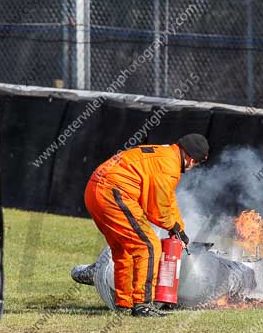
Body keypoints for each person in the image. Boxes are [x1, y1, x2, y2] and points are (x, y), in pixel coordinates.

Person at [85, 134, 209, 317]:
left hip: (95, 191)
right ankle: (143, 304)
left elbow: (167, 200)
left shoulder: (165, 154)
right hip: (114, 193)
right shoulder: (169, 166)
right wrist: (172, 226)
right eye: (196, 164)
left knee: (123, 250)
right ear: (191, 158)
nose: (193, 168)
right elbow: (157, 209)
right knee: (149, 246)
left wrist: (179, 228)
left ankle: (124, 302)